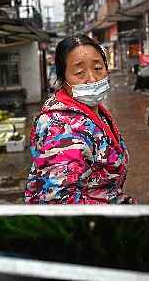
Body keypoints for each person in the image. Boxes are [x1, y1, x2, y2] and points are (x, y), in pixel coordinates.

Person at [25, 35, 135, 204]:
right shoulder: (62, 129)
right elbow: (59, 203)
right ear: (63, 79)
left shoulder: (93, 112)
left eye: (98, 68)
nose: (92, 78)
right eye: (79, 72)